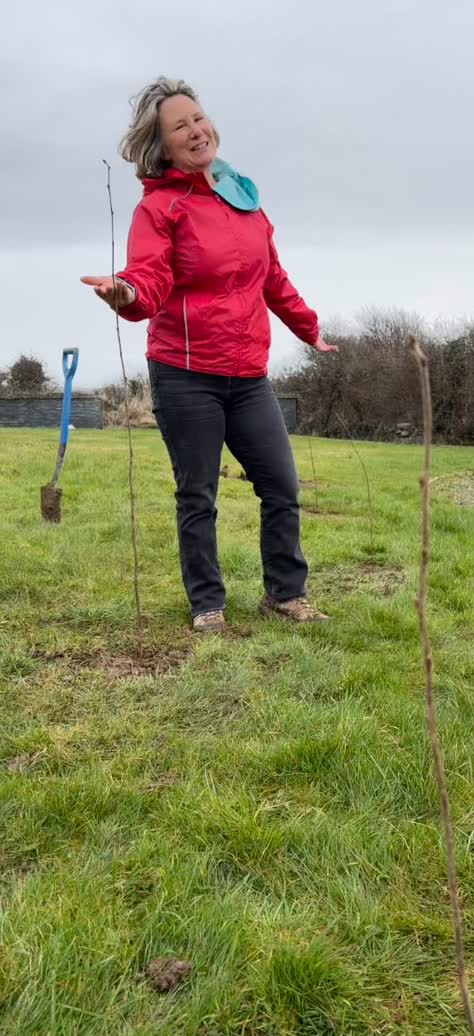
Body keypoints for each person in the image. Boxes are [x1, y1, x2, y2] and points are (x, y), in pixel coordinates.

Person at [82, 77, 336, 633]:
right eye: (180, 126)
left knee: (282, 488)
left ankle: (285, 595)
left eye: (198, 118)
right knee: (198, 493)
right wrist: (125, 294)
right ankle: (208, 606)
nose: (196, 130)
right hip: (184, 374)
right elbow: (148, 277)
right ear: (163, 145)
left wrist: (309, 329)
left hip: (248, 377)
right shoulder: (160, 209)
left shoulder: (242, 197)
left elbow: (272, 277)